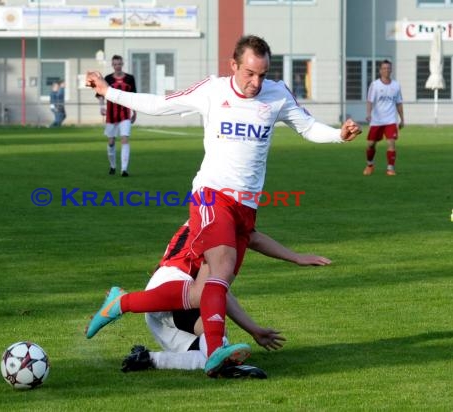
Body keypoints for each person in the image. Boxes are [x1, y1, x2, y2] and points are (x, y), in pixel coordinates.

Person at [85, 34, 361, 378]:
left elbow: (307, 127)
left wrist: (339, 134)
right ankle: (214, 351)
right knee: (223, 267)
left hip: (246, 207)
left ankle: (121, 303)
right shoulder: (213, 90)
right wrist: (107, 91)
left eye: (262, 74)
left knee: (208, 288)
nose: (255, 82)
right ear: (234, 65)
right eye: (249, 73)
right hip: (211, 195)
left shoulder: (277, 95)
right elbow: (159, 103)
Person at [120, 222, 331, 378]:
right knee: (215, 333)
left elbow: (218, 292)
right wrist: (296, 257)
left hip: (162, 300)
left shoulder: (209, 221)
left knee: (208, 356)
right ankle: (120, 302)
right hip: (172, 292)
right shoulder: (215, 227)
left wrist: (254, 330)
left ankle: (149, 359)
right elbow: (253, 238)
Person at [96, 55, 137, 177]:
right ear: (112, 65)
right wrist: (101, 107)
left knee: (125, 139)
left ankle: (124, 169)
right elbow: (100, 94)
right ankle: (113, 166)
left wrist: (134, 112)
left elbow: (133, 97)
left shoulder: (130, 78)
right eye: (115, 64)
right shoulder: (108, 78)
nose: (117, 66)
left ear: (122, 64)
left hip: (125, 114)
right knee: (111, 142)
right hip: (111, 115)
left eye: (119, 64)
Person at [363, 60, 404, 176]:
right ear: (380, 70)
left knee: (391, 143)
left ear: (391, 70)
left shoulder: (396, 85)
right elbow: (370, 101)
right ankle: (370, 165)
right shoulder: (375, 85)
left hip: (390, 120)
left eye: (388, 68)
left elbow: (399, 103)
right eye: (384, 68)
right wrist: (368, 114)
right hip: (377, 121)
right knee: (371, 144)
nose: (387, 70)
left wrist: (402, 119)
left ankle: (390, 168)